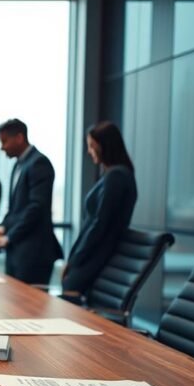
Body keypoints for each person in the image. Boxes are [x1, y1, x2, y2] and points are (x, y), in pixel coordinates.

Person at [61, 121, 138, 297]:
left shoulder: (116, 176)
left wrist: (76, 260)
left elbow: (99, 224)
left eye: (92, 146)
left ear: (105, 146)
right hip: (94, 255)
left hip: (95, 256)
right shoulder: (113, 175)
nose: (89, 151)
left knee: (69, 296)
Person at [0, 119, 64, 285]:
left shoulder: (39, 163)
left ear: (19, 138)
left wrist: (9, 237)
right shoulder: (18, 165)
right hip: (16, 251)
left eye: (4, 141)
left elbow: (36, 207)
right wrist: (1, 227)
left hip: (33, 253)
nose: (2, 147)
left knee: (30, 308)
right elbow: (15, 208)